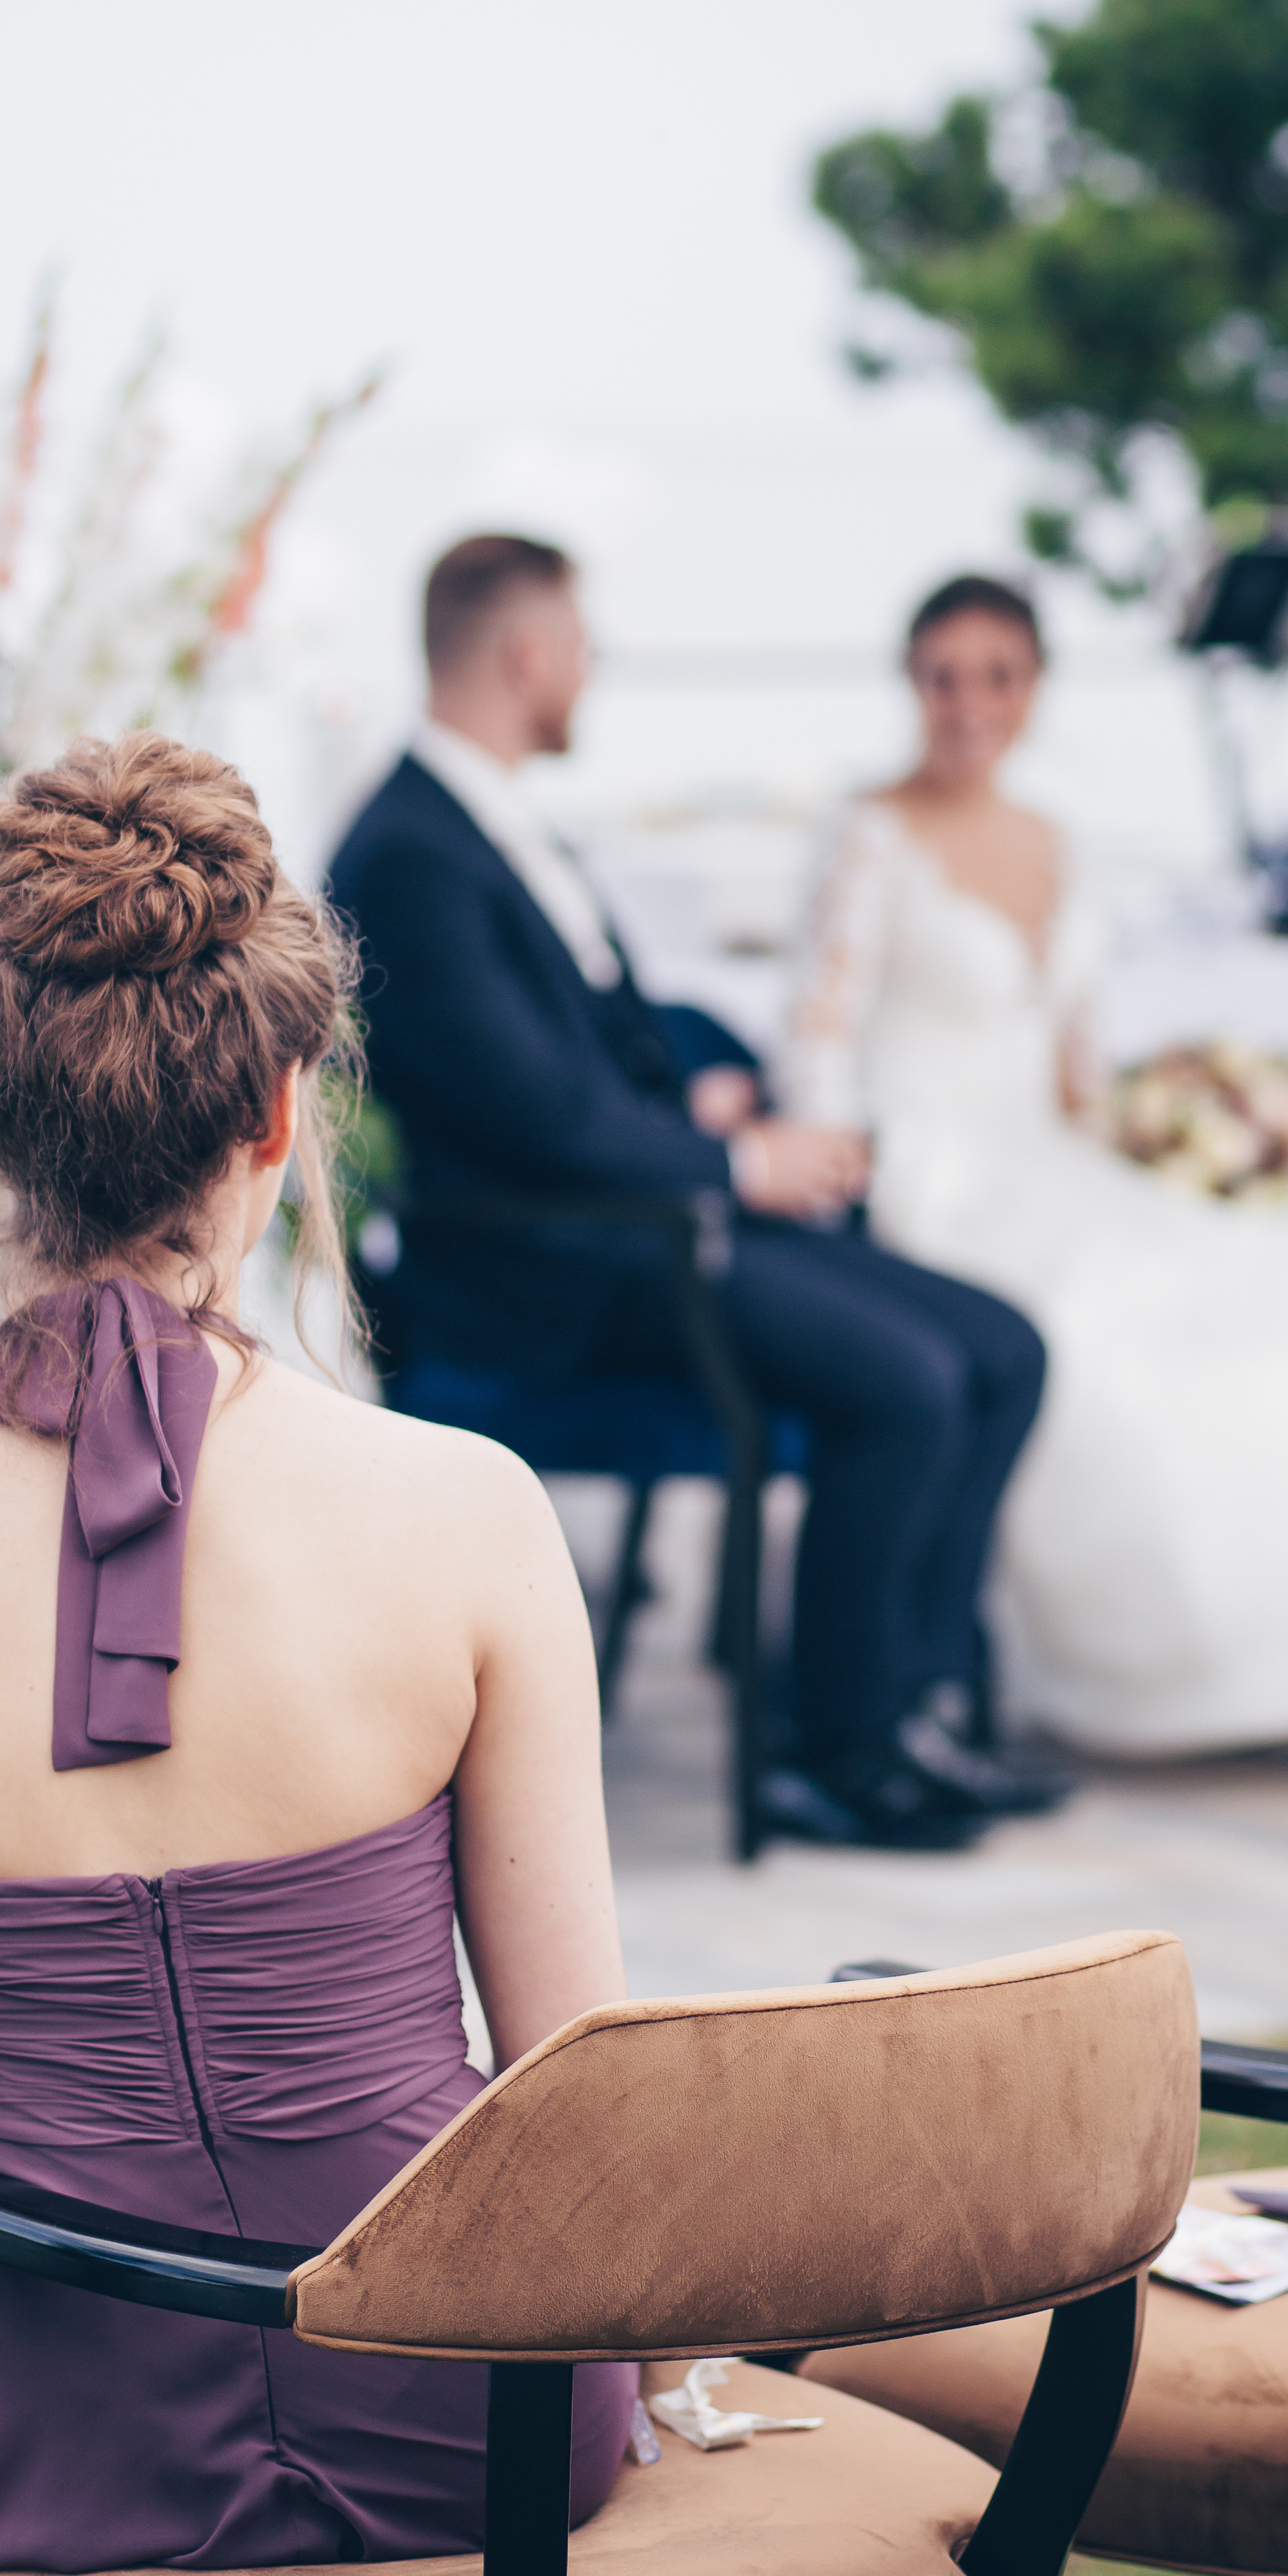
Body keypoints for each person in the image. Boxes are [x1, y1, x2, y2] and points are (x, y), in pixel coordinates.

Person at [0, 732, 639, 2570]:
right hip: (480, 2423)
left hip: (34, 2437)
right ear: (277, 1112)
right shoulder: (468, 1511)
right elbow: (572, 2071)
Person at [328, 534, 1062, 1847]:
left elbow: (599, 1031)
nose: (593, 672)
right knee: (907, 1381)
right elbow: (531, 1114)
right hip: (552, 1265)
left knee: (1003, 1345)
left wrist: (710, 1091)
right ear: (529, 656)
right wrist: (735, 1163)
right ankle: (838, 1743)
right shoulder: (408, 855)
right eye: (587, 647)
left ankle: (923, 1707)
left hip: (642, 1214)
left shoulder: (487, 817)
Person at [784, 572, 1288, 1754]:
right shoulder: (871, 833)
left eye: (997, 676)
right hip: (937, 1178)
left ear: (1034, 688)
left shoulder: (1057, 842)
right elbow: (817, 1047)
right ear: (911, 686)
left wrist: (1181, 1139)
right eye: (943, 677)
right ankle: (1271, 1664)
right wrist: (842, 1189)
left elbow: (1077, 1068)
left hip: (1055, 1159)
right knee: (1135, 1341)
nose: (968, 704)